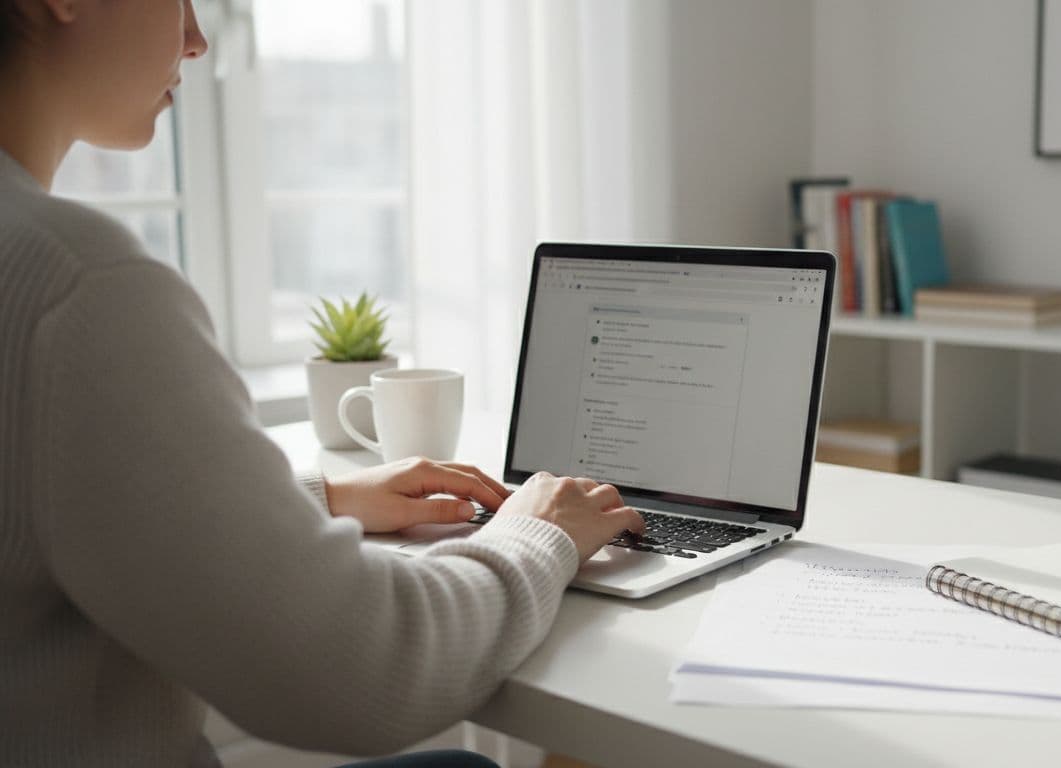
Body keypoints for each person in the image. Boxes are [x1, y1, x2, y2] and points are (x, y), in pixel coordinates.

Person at [0, 1, 644, 765]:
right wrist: (540, 534)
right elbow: (361, 673)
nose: (198, 38)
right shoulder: (78, 284)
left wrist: (317, 502)